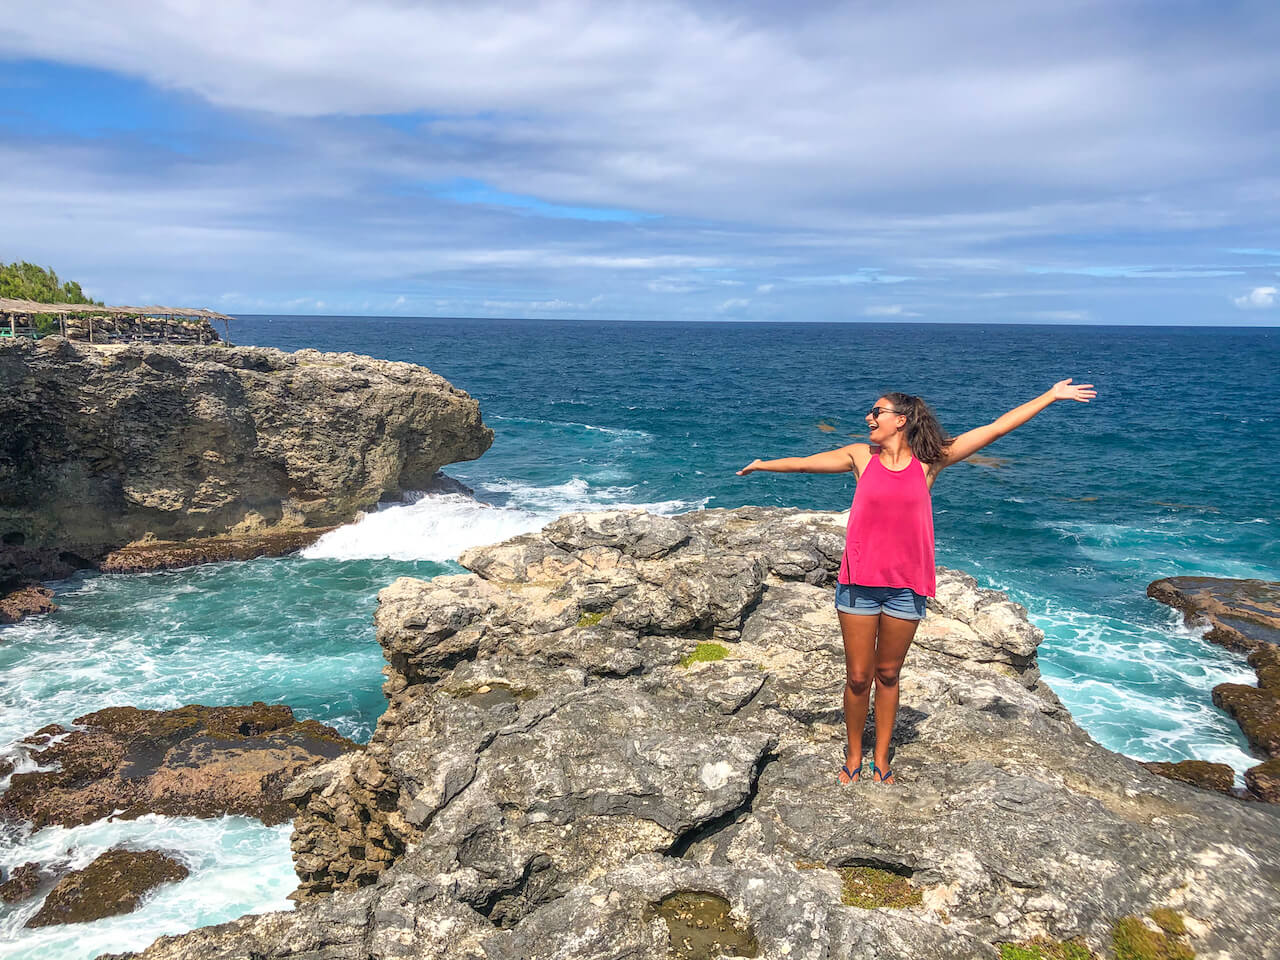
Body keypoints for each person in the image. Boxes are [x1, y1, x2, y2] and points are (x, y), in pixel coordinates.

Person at [737, 379, 1096, 784]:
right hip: (859, 583)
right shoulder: (860, 456)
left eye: (877, 412)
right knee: (858, 676)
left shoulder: (930, 461)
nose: (869, 417)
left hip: (906, 585)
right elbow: (805, 462)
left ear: (900, 420)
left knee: (888, 674)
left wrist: (1049, 396)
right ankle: (853, 755)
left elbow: (995, 428)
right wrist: (762, 463)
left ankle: (882, 758)